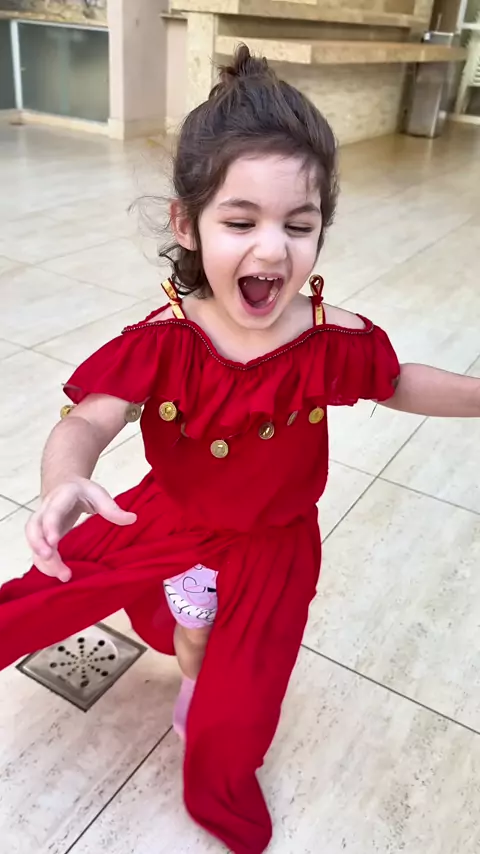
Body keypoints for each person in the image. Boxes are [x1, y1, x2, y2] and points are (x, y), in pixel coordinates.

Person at [1, 44, 479, 854]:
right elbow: (88, 418)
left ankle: (210, 732)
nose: (273, 250)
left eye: (300, 225)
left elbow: (396, 381)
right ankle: (189, 657)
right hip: (170, 518)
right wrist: (65, 480)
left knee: (243, 702)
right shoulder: (164, 339)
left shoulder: (328, 340)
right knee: (46, 597)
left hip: (275, 545)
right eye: (240, 221)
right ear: (186, 224)